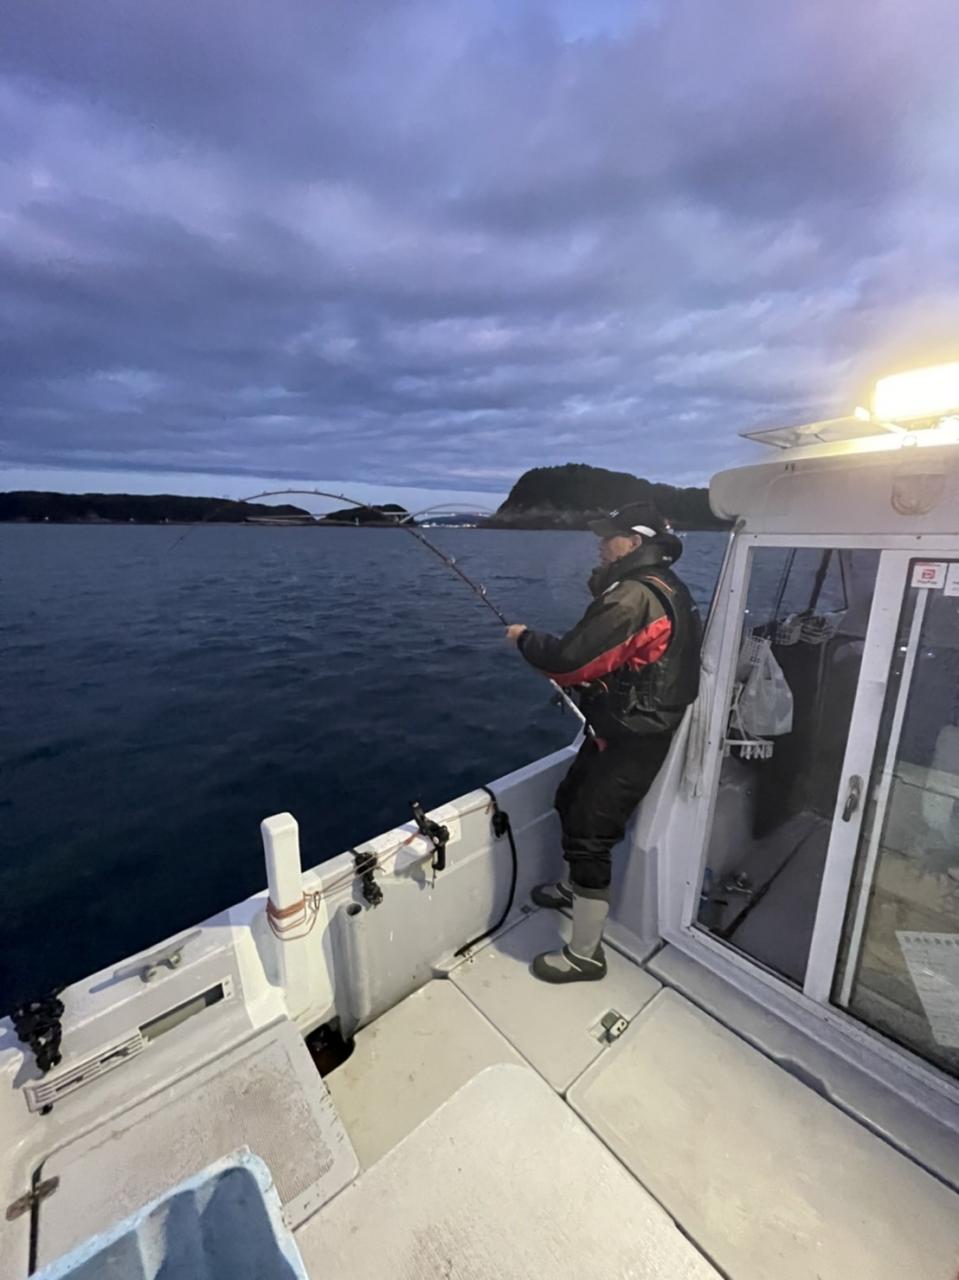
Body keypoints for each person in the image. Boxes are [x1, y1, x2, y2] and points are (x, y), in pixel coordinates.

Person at [505, 501, 701, 983]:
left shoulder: (634, 596)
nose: (600, 543)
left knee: (590, 832)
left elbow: (570, 661)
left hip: (635, 736)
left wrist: (525, 639)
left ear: (633, 543)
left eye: (609, 536)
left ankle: (585, 955)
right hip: (618, 729)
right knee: (570, 799)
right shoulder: (664, 585)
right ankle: (573, 891)